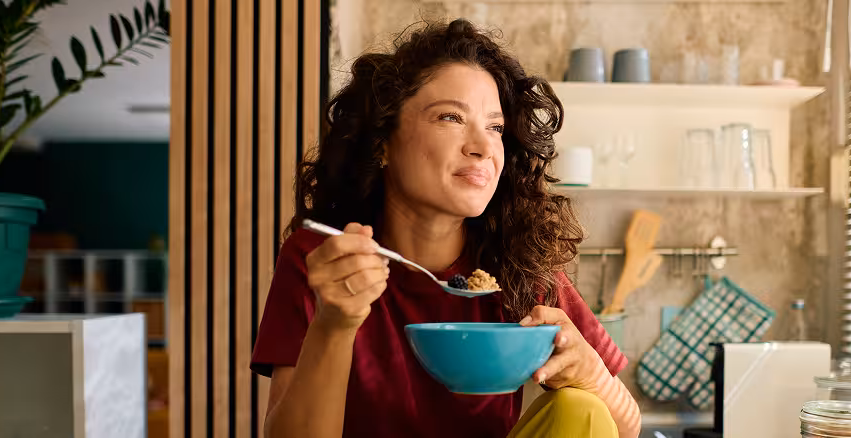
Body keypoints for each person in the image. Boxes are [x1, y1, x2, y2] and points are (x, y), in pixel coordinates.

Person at [251, 18, 641, 438]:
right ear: (382, 142)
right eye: (451, 117)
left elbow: (627, 426)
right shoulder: (324, 261)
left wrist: (592, 375)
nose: (483, 147)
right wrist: (334, 322)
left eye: (495, 127)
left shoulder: (520, 266)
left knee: (580, 406)